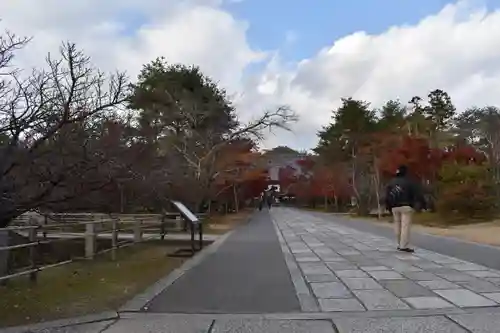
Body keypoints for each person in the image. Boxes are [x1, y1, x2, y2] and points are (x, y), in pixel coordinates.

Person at [385, 165, 426, 253]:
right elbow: (417, 194)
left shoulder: (391, 182)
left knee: (397, 225)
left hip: (394, 206)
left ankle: (399, 243)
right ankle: (404, 245)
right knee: (405, 226)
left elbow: (387, 196)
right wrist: (420, 205)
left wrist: (388, 207)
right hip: (406, 206)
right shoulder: (409, 182)